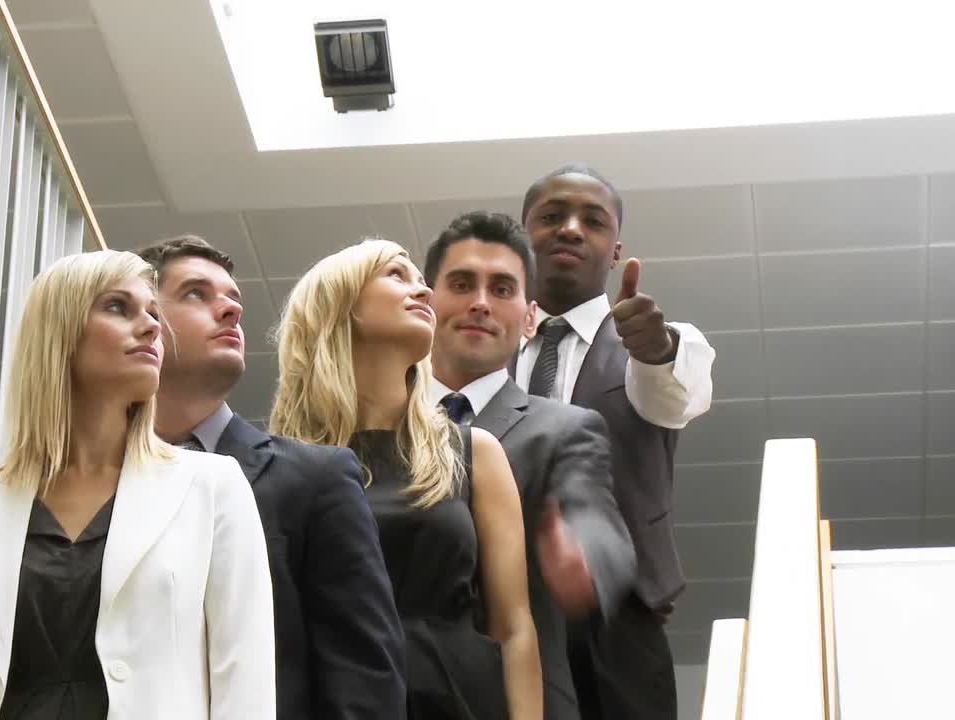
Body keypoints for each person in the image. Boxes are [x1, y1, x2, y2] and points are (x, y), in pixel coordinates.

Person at [0, 251, 275, 720]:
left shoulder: (213, 488)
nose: (151, 327)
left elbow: (245, 684)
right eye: (118, 307)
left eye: (153, 313)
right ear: (59, 332)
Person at [271, 239, 542, 720]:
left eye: (420, 279)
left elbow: (514, 625)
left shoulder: (472, 452)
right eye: (396, 275)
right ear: (341, 304)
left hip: (459, 701)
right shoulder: (280, 465)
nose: (423, 290)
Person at [136, 236, 406, 720]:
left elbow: (364, 677)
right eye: (197, 294)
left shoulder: (315, 480)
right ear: (145, 322)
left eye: (233, 299)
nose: (231, 310)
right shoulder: (97, 486)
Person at [422, 210, 636, 720]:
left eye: (502, 289)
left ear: (529, 317)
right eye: (461, 284)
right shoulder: (370, 422)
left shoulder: (563, 430)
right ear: (426, 301)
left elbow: (595, 520)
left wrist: (586, 559)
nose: (480, 302)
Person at [520, 165, 716, 720]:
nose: (571, 229)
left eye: (593, 221)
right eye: (552, 216)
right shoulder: (483, 350)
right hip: (499, 619)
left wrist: (657, 348)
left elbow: (676, 396)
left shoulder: (646, 346)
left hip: (617, 625)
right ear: (520, 237)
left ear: (615, 252)